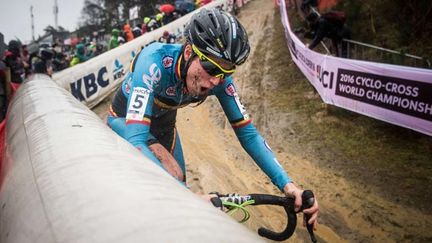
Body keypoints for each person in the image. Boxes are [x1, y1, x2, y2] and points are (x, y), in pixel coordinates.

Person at [106, 8, 319, 227]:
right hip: (124, 121)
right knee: (174, 177)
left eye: (226, 72)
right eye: (211, 67)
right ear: (189, 52)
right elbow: (137, 138)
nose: (217, 80)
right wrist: (187, 196)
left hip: (164, 126)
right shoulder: (154, 62)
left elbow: (248, 133)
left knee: (181, 186)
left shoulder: (218, 78)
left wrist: (289, 185)